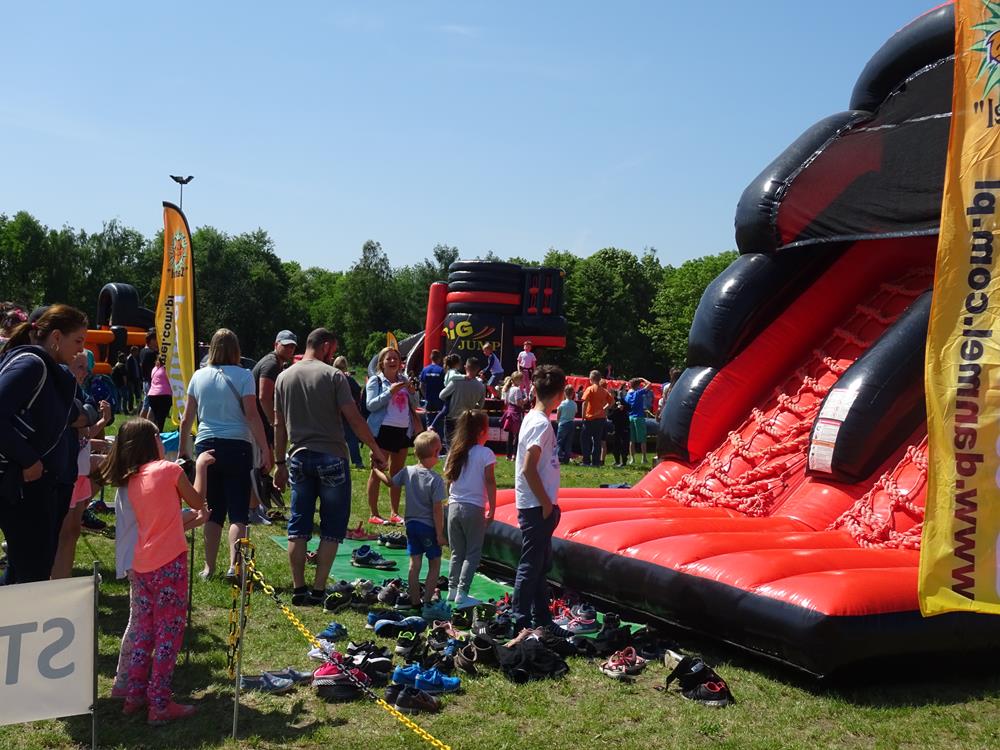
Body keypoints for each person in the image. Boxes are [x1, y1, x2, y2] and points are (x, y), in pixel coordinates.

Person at [98, 417, 210, 725]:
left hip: (142, 562)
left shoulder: (131, 480)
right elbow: (198, 500)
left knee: (145, 631)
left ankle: (134, 695)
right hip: (168, 563)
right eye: (160, 437)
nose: (165, 441)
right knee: (168, 634)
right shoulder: (170, 470)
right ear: (151, 444)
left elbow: (163, 519)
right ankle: (159, 703)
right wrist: (200, 466)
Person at [273, 329, 388, 607]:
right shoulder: (334, 376)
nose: (333, 354)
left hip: (298, 456)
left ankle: (299, 588)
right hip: (332, 457)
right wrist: (375, 449)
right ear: (325, 346)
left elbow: (278, 425)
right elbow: (355, 419)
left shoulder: (283, 376)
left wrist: (278, 463)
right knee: (331, 528)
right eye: (333, 349)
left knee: (298, 525)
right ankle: (319, 589)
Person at [0, 304, 88, 584]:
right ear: (57, 337)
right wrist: (28, 459)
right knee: (31, 575)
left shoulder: (46, 368)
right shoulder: (32, 364)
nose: (81, 350)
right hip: (22, 485)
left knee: (26, 570)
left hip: (36, 486)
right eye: (78, 341)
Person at [179, 329, 272, 580]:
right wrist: (265, 448)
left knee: (212, 509)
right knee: (238, 511)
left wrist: (182, 450)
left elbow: (187, 418)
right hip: (237, 446)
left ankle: (209, 568)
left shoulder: (198, 377)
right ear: (236, 350)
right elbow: (252, 415)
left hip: (206, 444)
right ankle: (235, 566)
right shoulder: (244, 376)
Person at [512, 364, 568, 635]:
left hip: (537, 503)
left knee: (539, 564)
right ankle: (520, 620)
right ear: (559, 395)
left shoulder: (536, 419)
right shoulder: (540, 423)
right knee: (531, 564)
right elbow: (528, 467)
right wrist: (546, 502)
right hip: (536, 505)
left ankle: (542, 618)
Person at [51, 352, 112, 579]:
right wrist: (102, 422)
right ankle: (57, 581)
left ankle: (61, 580)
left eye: (86, 367)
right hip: (70, 473)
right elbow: (82, 435)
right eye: (79, 367)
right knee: (64, 533)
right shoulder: (64, 395)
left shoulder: (78, 394)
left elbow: (83, 437)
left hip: (79, 471)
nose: (85, 372)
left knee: (72, 532)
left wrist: (100, 427)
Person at [373, 431, 446, 616]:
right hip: (428, 527)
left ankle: (414, 602)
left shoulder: (408, 471)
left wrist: (376, 470)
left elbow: (390, 483)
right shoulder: (436, 480)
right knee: (435, 564)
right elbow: (437, 510)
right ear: (437, 452)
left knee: (415, 565)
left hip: (411, 525)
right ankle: (427, 602)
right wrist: (439, 534)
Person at [442, 409, 496, 607]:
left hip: (454, 506)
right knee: (472, 552)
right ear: (482, 431)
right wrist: (492, 508)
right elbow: (490, 482)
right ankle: (463, 592)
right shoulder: (485, 454)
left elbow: (449, 481)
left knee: (457, 552)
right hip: (473, 508)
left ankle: (452, 588)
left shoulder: (454, 452)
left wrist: (449, 500)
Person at [365, 347, 422, 526]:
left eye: (395, 358)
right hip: (383, 430)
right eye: (388, 358)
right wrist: (390, 392)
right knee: (378, 472)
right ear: (381, 363)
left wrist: (412, 393)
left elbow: (415, 405)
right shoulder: (376, 381)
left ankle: (394, 513)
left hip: (403, 431)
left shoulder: (403, 380)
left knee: (397, 473)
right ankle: (374, 513)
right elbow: (370, 405)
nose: (392, 361)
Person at [252, 330, 297, 505]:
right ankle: (257, 502)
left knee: (266, 463)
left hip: (261, 420)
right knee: (266, 463)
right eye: (285, 345)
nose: (289, 349)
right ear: (276, 345)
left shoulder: (275, 363)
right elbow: (263, 396)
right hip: (261, 421)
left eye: (292, 346)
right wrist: (274, 422)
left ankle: (262, 499)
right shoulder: (271, 364)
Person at [439, 358, 486, 446]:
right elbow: (480, 406)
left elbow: (441, 395)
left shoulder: (456, 381)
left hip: (452, 417)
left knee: (450, 447)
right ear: (478, 369)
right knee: (464, 447)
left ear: (465, 367)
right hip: (467, 419)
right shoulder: (481, 386)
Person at [333, 356, 366, 469]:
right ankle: (357, 462)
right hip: (348, 411)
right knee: (351, 438)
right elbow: (358, 392)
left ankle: (337, 460)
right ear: (345, 366)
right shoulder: (349, 379)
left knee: (336, 438)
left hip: (334, 412)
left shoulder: (331, 378)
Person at [580, 370, 614, 467]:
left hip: (589, 418)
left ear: (591, 379)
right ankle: (596, 462)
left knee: (585, 439)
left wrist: (583, 416)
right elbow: (612, 402)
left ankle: (586, 460)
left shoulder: (590, 389)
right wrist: (604, 408)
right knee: (597, 440)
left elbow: (584, 403)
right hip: (601, 418)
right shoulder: (604, 391)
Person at [500, 372, 527, 461]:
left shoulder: (508, 389)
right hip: (516, 413)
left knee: (510, 435)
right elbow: (519, 403)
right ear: (517, 380)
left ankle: (508, 455)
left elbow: (506, 402)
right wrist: (527, 399)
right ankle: (514, 455)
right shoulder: (517, 390)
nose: (522, 381)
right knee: (518, 434)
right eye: (521, 379)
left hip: (509, 412)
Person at [624, 377, 653, 464]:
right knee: (642, 439)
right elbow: (650, 384)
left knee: (631, 440)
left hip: (630, 417)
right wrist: (642, 379)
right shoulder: (638, 393)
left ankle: (632, 459)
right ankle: (644, 458)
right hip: (639, 417)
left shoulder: (628, 395)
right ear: (637, 385)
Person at [419, 349, 445, 442]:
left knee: (429, 421)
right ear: (439, 359)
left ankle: (428, 442)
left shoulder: (425, 370)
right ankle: (440, 444)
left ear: (431, 358)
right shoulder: (441, 370)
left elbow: (421, 385)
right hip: (439, 401)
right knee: (440, 422)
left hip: (429, 400)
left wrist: (425, 396)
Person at [147, 355, 173, 432]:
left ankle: (153, 433)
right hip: (164, 395)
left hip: (152, 395)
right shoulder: (166, 369)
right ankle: (158, 435)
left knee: (156, 417)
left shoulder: (154, 369)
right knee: (161, 418)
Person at [555, 385, 577, 464]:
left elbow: (558, 412)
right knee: (568, 442)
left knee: (559, 442)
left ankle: (559, 457)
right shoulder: (574, 404)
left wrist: (557, 420)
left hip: (563, 424)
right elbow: (575, 413)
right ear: (573, 394)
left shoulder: (563, 403)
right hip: (571, 423)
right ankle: (566, 459)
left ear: (564, 393)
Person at [139, 331, 158, 420]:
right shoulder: (151, 353)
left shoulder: (142, 351)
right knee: (152, 405)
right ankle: (147, 424)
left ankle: (140, 423)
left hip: (145, 381)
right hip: (151, 382)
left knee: (146, 404)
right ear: (152, 340)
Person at [609, 395, 630, 468]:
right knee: (616, 445)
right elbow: (609, 416)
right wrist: (617, 409)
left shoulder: (621, 401)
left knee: (624, 444)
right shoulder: (610, 406)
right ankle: (617, 461)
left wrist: (623, 407)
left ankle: (624, 462)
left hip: (624, 426)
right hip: (616, 427)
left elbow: (629, 408)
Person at [126, 345, 142, 414]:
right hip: (131, 380)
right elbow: (128, 370)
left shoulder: (136, 358)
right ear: (132, 351)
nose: (137, 353)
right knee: (131, 395)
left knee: (138, 394)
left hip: (137, 379)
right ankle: (130, 408)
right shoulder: (129, 359)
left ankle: (138, 407)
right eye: (136, 351)